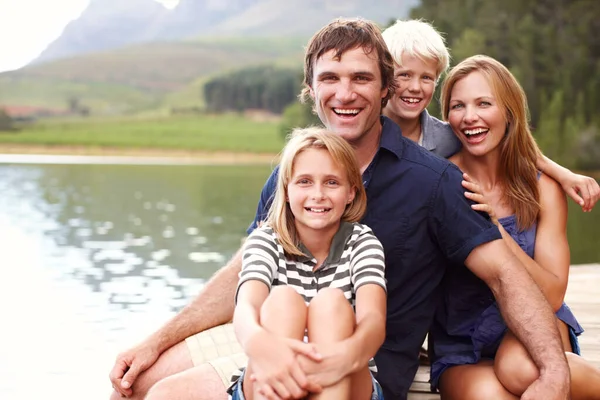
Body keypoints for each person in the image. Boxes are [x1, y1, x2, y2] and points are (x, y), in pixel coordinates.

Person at [109, 18, 571, 400]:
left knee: (168, 394)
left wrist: (553, 371)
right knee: (131, 383)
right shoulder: (294, 174)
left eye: (361, 78)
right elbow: (243, 271)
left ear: (386, 87)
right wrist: (155, 341)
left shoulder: (434, 181)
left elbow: (504, 274)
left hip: (360, 366)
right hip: (275, 335)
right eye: (330, 78)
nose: (344, 94)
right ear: (311, 89)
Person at [429, 54, 600, 400]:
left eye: (483, 103)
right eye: (457, 106)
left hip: (539, 327)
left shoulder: (542, 188)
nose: (470, 116)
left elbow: (552, 295)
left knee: (520, 369)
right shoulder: (439, 182)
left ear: (508, 111)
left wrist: (495, 229)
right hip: (463, 340)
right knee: (490, 395)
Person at [230, 127, 387, 400]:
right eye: (304, 181)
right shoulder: (266, 240)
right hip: (272, 376)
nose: (318, 194)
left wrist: (341, 359)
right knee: (282, 300)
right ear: (287, 190)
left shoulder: (362, 242)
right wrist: (261, 346)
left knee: (330, 303)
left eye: (331, 182)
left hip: (345, 377)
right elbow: (246, 308)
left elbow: (373, 321)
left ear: (351, 192)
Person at [381, 19, 600, 212]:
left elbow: (513, 143)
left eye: (426, 78)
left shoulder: (449, 137)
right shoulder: (364, 134)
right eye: (404, 75)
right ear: (384, 77)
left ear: (436, 81)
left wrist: (563, 174)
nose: (415, 87)